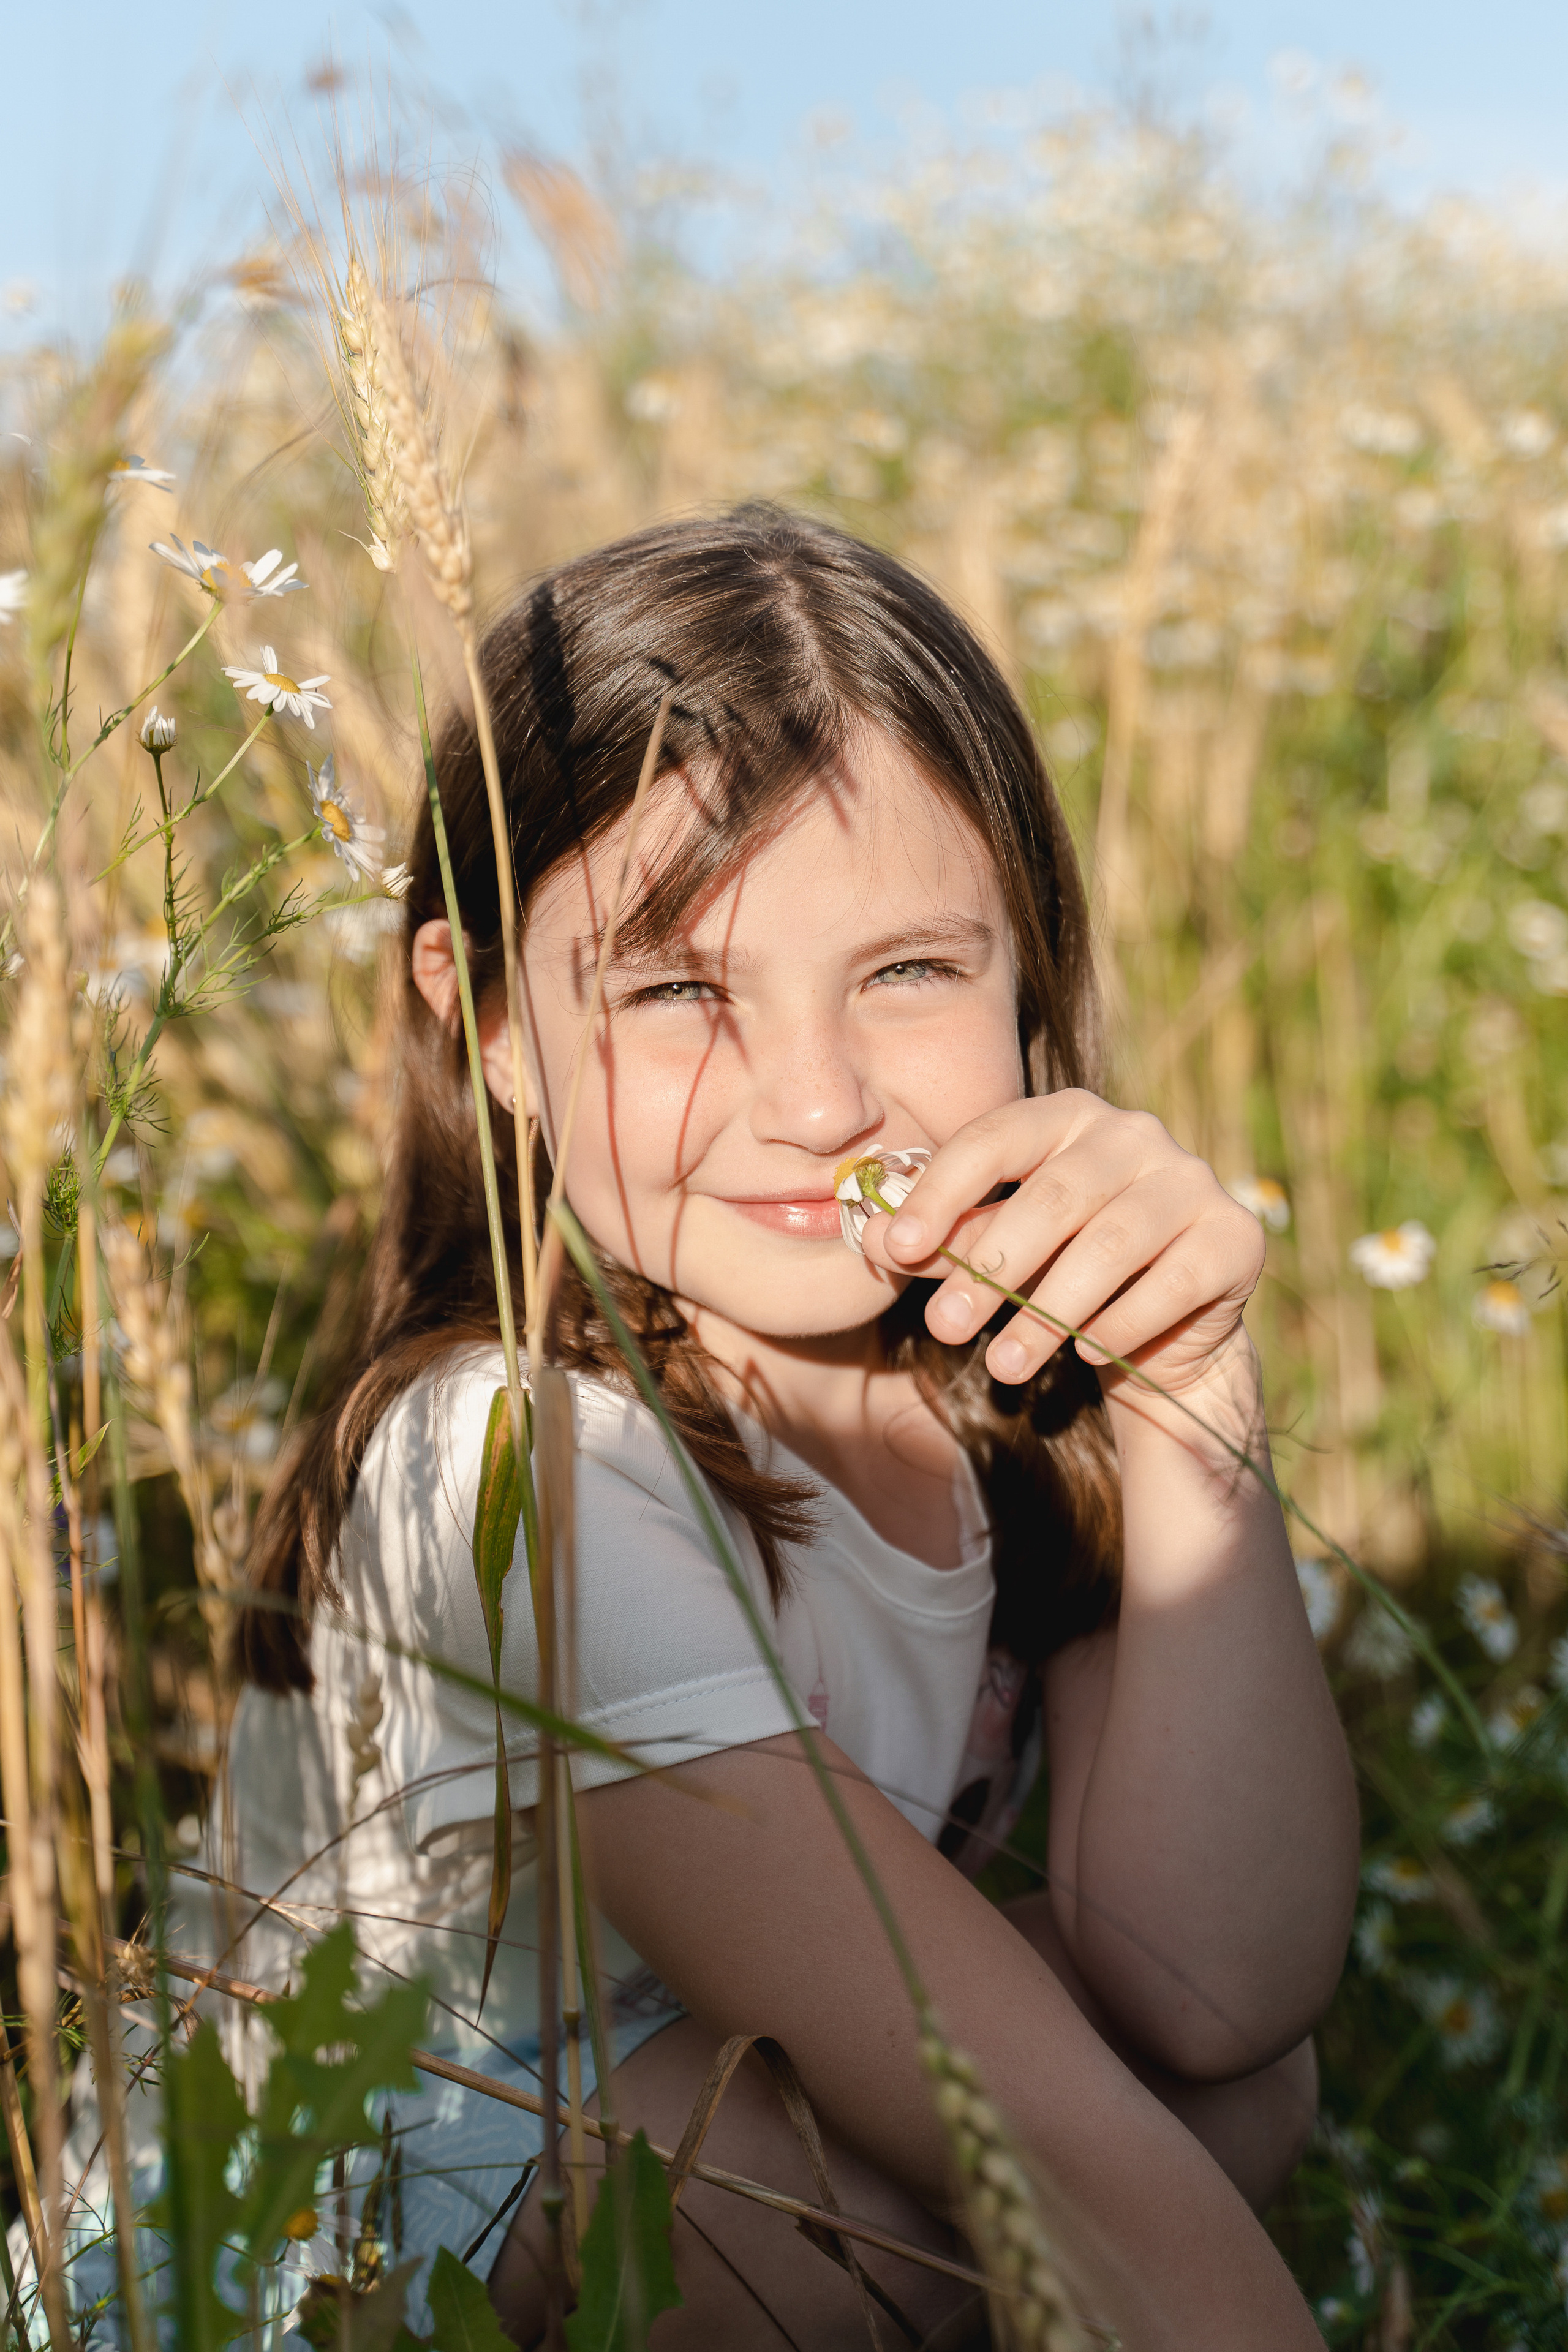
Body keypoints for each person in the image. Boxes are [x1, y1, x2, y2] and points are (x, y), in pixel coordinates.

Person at [225, 506, 1359, 2349]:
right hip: (331, 2244)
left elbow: (1219, 1990)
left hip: (707, 2149)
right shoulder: (515, 1467)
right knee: (773, 2237)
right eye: (679, 991)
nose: (818, 1099)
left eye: (909, 971)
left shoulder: (995, 1397)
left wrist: (1190, 1389)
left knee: (1237, 2091)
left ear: (1030, 970)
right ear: (491, 1018)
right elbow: (1049, 2146)